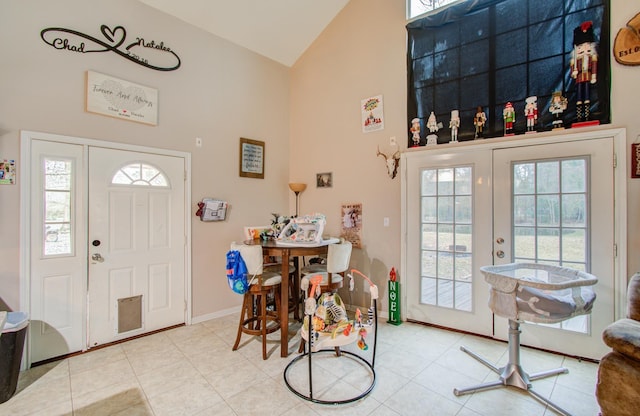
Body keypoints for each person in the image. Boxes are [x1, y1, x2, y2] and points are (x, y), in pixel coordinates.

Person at [571, 21, 598, 122]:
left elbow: (594, 66)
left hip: (587, 76)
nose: (584, 48)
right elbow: (573, 69)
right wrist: (574, 72)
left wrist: (594, 75)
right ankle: (579, 116)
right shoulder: (576, 60)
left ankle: (586, 115)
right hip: (579, 78)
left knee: (586, 95)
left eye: (586, 45)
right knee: (579, 96)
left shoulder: (592, 57)